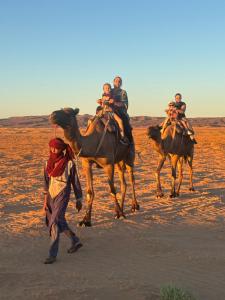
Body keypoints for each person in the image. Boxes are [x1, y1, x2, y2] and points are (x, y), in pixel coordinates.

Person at [43, 138, 83, 264]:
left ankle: (52, 254)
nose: (54, 150)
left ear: (62, 149)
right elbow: (46, 183)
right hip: (51, 195)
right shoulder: (47, 163)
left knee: (54, 222)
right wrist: (45, 201)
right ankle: (75, 240)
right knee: (59, 221)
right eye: (52, 148)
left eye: (57, 148)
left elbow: (75, 182)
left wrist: (78, 199)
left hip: (63, 193)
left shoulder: (69, 163)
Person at [111, 76, 133, 144]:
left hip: (119, 111)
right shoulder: (109, 90)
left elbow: (125, 104)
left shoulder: (123, 92)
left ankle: (128, 141)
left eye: (119, 81)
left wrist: (114, 103)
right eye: (116, 81)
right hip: (108, 110)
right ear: (113, 82)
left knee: (124, 121)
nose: (118, 82)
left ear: (121, 83)